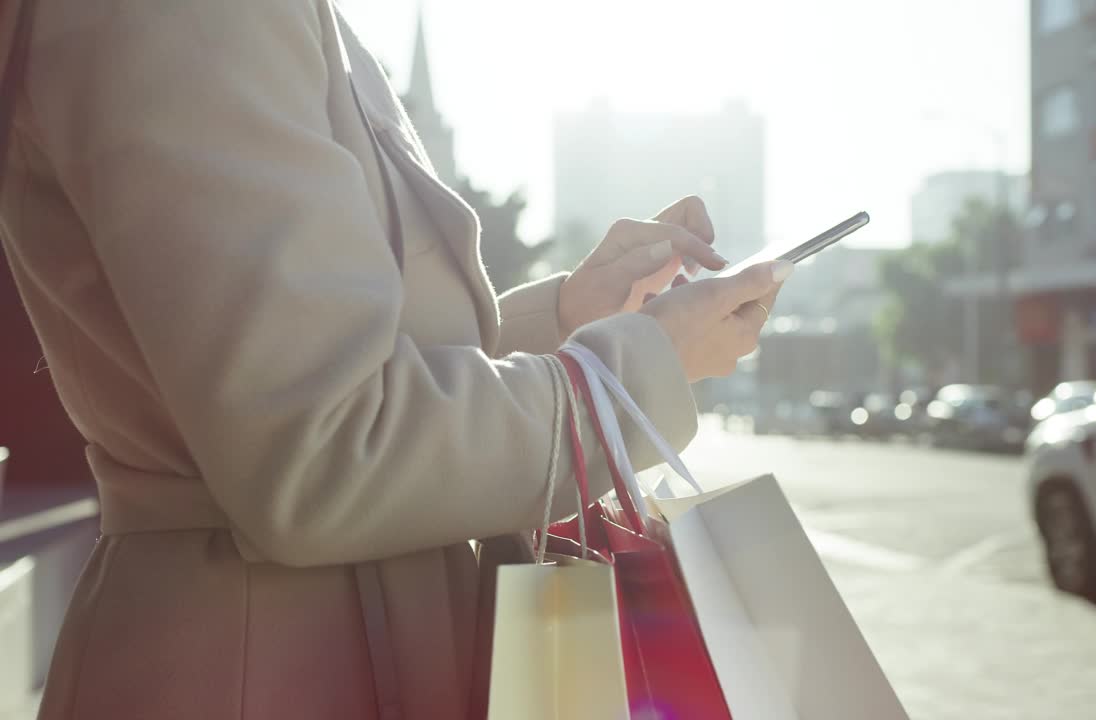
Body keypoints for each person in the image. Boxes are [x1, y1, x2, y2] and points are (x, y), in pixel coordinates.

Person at [0, 1, 791, 718]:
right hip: (271, 668)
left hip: (291, 646)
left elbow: (338, 376)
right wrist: (628, 372)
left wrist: (568, 319)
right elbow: (323, 449)